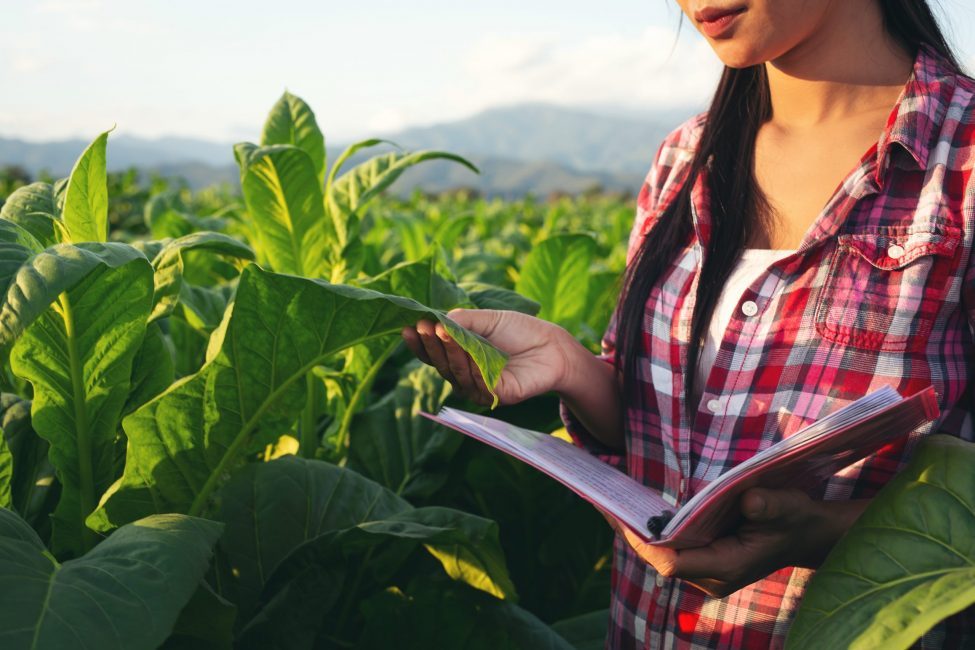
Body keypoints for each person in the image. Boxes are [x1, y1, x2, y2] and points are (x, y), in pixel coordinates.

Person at [403, 0, 975, 647]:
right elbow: (669, 432)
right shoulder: (683, 160)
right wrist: (570, 367)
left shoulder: (959, 162)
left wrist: (825, 532)